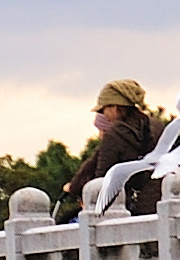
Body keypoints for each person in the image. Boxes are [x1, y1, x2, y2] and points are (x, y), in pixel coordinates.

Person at [60, 79, 164, 218]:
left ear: (115, 107)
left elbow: (102, 178)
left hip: (133, 210)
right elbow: (94, 160)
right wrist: (75, 186)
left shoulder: (115, 134)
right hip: (161, 204)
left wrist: (84, 195)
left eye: (103, 110)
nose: (104, 115)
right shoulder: (156, 125)